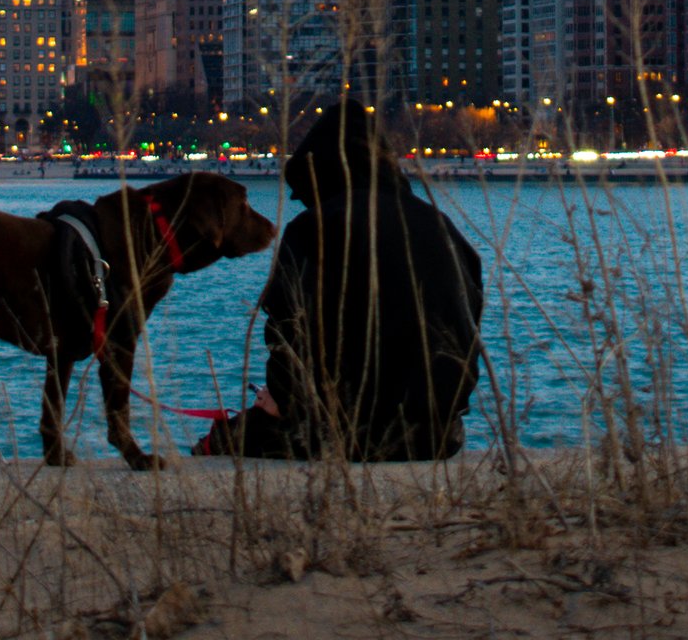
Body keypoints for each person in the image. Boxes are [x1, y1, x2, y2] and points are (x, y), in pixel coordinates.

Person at [196, 101, 484, 461]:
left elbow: (289, 330)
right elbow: (465, 321)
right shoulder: (442, 227)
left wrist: (282, 398)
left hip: (346, 430)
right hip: (439, 434)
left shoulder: (316, 227)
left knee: (221, 442)